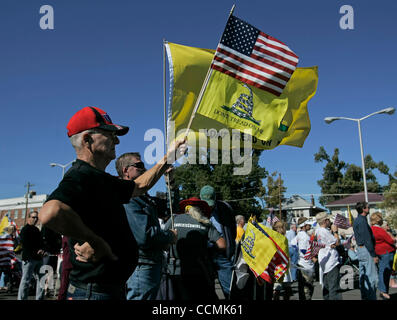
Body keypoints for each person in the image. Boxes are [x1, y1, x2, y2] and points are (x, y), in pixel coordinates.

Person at [38, 106, 187, 300]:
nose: (116, 140)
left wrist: (169, 157)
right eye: (109, 134)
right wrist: (94, 240)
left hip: (107, 290)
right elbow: (49, 212)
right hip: (92, 293)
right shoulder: (81, 175)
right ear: (87, 140)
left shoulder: (100, 178)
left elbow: (140, 185)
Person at [115, 152, 178, 300]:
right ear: (126, 171)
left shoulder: (144, 198)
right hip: (141, 264)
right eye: (139, 165)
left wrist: (171, 184)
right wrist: (169, 235)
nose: (144, 169)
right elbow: (144, 235)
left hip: (150, 263)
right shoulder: (129, 199)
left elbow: (170, 209)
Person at [164, 197, 226, 300]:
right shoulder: (205, 222)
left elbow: (164, 242)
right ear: (200, 210)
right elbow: (222, 245)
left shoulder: (173, 219)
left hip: (176, 271)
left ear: (186, 209)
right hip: (200, 271)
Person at [200, 185, 236, 299]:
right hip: (205, 253)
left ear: (215, 198)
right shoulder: (195, 210)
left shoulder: (225, 208)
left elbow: (232, 230)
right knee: (206, 289)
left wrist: (229, 247)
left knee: (229, 288)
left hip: (223, 253)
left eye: (210, 203)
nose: (209, 207)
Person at [353, 201, 378, 300]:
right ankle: (370, 297)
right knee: (371, 277)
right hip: (366, 250)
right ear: (363, 209)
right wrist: (373, 255)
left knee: (363, 276)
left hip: (360, 249)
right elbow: (367, 239)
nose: (369, 208)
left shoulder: (358, 220)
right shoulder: (362, 221)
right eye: (368, 207)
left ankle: (365, 296)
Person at [17, 211, 45, 300]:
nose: (35, 219)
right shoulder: (25, 229)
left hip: (38, 258)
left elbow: (41, 243)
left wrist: (42, 249)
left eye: (37, 218)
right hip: (29, 259)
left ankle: (39, 298)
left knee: (41, 280)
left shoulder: (37, 230)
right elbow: (25, 245)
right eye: (33, 217)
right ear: (29, 218)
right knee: (25, 281)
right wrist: (37, 250)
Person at [315, 212, 342, 300]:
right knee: (334, 287)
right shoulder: (324, 231)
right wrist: (335, 231)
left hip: (324, 260)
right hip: (331, 262)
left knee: (326, 287)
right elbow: (337, 242)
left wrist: (331, 244)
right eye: (328, 220)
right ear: (325, 221)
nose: (330, 221)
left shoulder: (318, 231)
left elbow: (328, 243)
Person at [370, 212, 395, 300]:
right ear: (378, 219)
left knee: (382, 271)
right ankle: (383, 291)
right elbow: (391, 240)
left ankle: (384, 291)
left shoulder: (371, 229)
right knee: (385, 272)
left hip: (380, 252)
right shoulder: (379, 230)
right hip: (386, 252)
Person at [291, 217, 315, 300]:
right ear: (304, 225)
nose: (310, 225)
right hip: (306, 265)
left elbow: (293, 244)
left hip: (300, 263)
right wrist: (312, 256)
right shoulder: (305, 236)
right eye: (308, 224)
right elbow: (303, 250)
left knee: (302, 289)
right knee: (307, 290)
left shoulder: (299, 234)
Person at [272, 221, 292, 300]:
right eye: (284, 227)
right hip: (281, 266)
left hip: (279, 266)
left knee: (279, 289)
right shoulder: (282, 239)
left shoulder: (272, 238)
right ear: (281, 228)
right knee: (280, 289)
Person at [40, 226, 62, 297]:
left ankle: (46, 289)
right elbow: (43, 239)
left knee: (50, 272)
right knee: (46, 271)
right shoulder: (47, 227)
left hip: (53, 252)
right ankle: (44, 289)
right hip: (48, 252)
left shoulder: (55, 228)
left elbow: (59, 240)